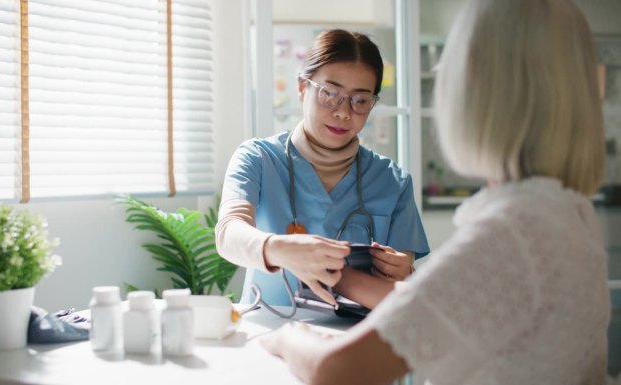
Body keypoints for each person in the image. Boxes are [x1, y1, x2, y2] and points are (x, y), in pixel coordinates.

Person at [260, 0, 610, 384]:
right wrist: (340, 275)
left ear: (471, 76)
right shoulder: (570, 215)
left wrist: (290, 337)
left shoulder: (512, 235)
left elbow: (337, 370)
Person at [215, 29, 430, 309]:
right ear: (302, 88)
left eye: (360, 100)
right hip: (267, 330)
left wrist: (404, 274)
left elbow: (398, 295)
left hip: (355, 341)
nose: (343, 111)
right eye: (330, 94)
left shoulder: (393, 181)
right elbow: (229, 233)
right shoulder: (257, 158)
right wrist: (279, 249)